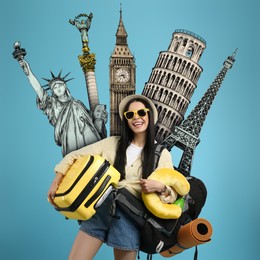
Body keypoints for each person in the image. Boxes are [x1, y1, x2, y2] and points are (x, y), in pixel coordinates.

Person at [48, 94, 175, 260]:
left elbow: (174, 194)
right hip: (100, 209)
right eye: (130, 115)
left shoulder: (161, 155)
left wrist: (160, 187)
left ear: (150, 116)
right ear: (126, 120)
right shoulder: (113, 143)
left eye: (141, 113)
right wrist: (56, 181)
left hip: (130, 217)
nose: (136, 118)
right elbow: (74, 156)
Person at [18, 59, 107, 156]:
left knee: (75, 105)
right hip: (69, 137)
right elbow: (38, 89)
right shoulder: (51, 104)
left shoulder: (77, 103)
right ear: (53, 92)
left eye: (59, 85)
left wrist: (100, 116)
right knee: (73, 106)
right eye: (55, 88)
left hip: (89, 136)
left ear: (65, 87)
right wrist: (28, 73)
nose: (58, 89)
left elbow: (91, 119)